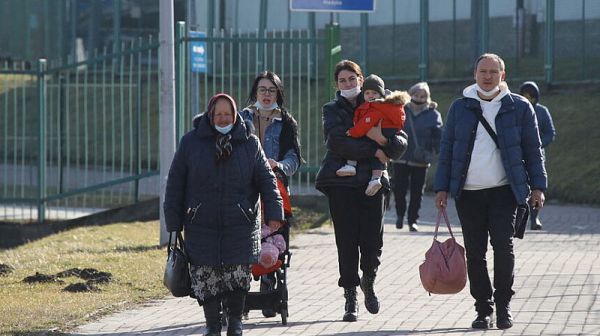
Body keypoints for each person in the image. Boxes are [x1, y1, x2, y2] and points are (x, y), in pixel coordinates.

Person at [433, 53, 547, 330]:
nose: (487, 76)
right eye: (482, 71)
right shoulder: (460, 107)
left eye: (493, 72)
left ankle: (504, 305)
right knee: (475, 252)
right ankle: (483, 309)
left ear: (502, 76)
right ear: (475, 74)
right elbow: (447, 150)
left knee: (503, 246)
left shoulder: (519, 107)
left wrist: (539, 187)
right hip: (468, 192)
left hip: (504, 191)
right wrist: (441, 188)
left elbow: (534, 149)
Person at [163, 93, 284, 336]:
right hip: (201, 222)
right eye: (218, 114)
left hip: (240, 222)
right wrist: (174, 221)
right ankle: (212, 325)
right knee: (206, 277)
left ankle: (236, 323)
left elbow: (267, 180)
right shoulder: (191, 142)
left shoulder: (249, 142)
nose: (223, 118)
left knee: (236, 275)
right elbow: (175, 182)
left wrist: (274, 212)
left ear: (236, 114)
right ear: (209, 116)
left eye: (227, 114)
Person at [315, 60, 408, 322]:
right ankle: (350, 296)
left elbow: (401, 138)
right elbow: (336, 141)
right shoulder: (331, 109)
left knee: (372, 240)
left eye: (352, 79)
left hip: (373, 183)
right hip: (341, 182)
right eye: (342, 81)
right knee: (346, 241)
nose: (348, 84)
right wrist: (378, 149)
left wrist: (386, 142)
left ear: (361, 78)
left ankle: (369, 281)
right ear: (337, 84)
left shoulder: (382, 100)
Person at [239, 71, 302, 318]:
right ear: (255, 92)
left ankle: (269, 278)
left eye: (271, 90)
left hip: (275, 188)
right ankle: (239, 289)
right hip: (245, 189)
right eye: (262, 90)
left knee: (273, 233)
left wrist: (279, 165)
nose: (266, 94)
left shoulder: (286, 121)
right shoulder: (242, 117)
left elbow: (294, 157)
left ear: (278, 93)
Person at [336, 74, 408, 196]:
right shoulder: (388, 107)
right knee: (377, 155)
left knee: (359, 140)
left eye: (374, 93)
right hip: (386, 133)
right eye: (367, 93)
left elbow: (366, 123)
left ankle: (351, 165)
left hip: (379, 131)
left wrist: (354, 131)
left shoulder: (376, 107)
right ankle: (375, 178)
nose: (370, 96)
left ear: (381, 94)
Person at [391, 82, 443, 232]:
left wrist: (440, 152)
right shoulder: (401, 109)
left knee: (417, 192)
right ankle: (400, 215)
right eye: (416, 95)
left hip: (420, 160)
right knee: (399, 188)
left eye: (422, 96)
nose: (419, 98)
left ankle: (413, 220)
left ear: (427, 98)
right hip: (400, 157)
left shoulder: (433, 115)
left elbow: (438, 136)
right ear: (410, 95)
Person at [519, 81, 556, 230]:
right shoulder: (516, 110)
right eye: (525, 96)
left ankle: (534, 218)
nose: (528, 100)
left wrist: (538, 145)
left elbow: (550, 133)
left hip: (536, 156)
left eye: (531, 97)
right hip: (518, 155)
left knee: (536, 187)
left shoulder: (542, 111)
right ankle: (519, 218)